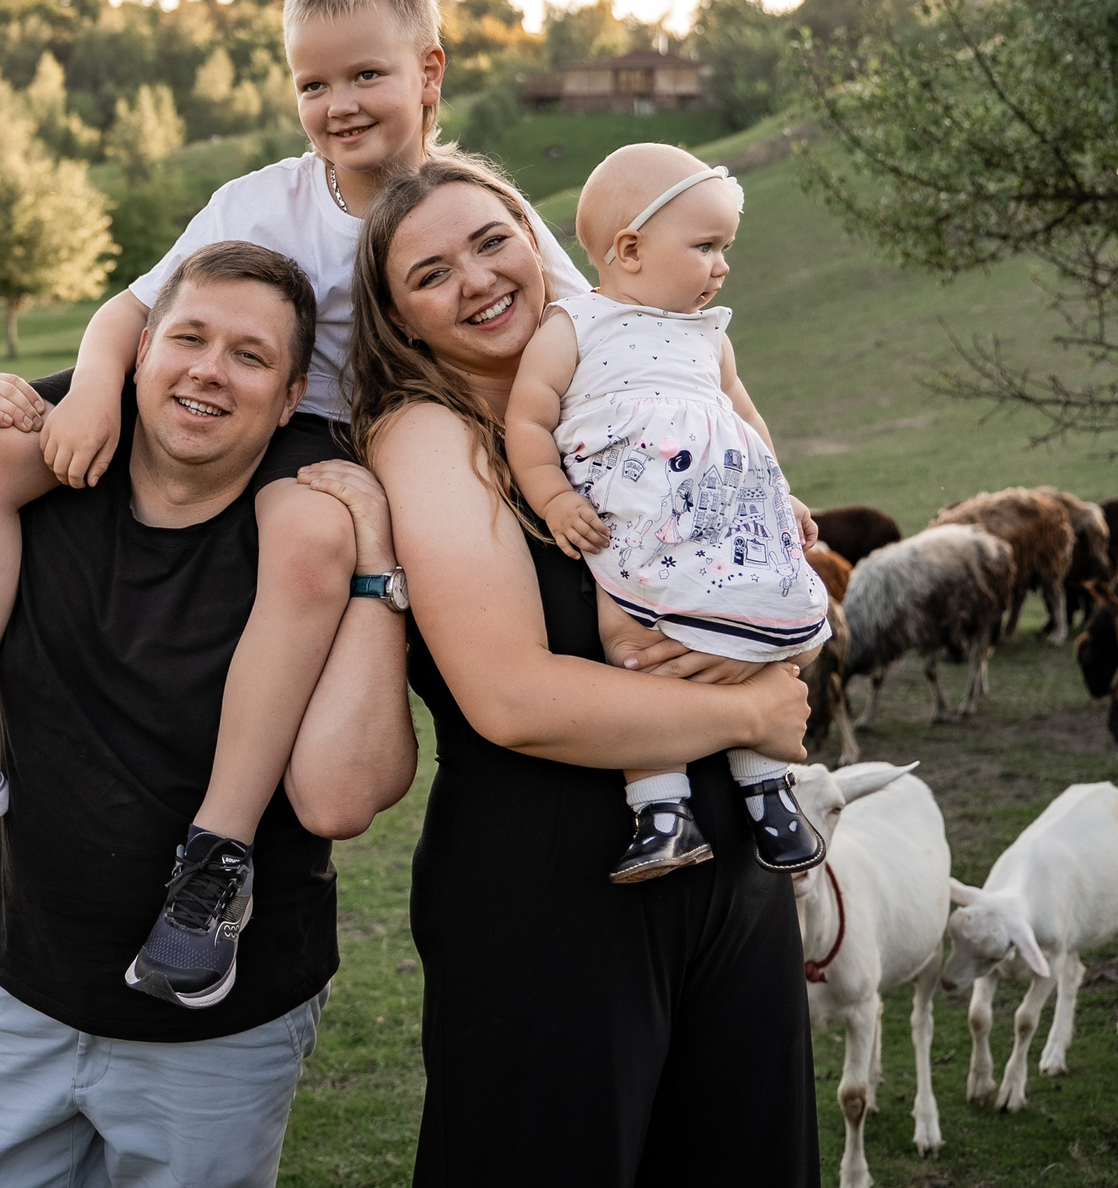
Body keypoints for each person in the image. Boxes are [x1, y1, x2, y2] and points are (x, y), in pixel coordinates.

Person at [0, 0, 586, 1011]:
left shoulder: (476, 210)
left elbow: (596, 334)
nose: (337, 105)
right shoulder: (261, 200)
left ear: (430, 72)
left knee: (313, 537)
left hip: (324, 430)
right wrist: (95, 388)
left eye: (364, 76)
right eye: (312, 86)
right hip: (198, 383)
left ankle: (217, 849)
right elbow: (132, 312)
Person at [0, 241, 418, 1188]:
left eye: (250, 356)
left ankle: (215, 860)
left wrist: (378, 570)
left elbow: (343, 797)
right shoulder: (42, 473)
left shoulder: (312, 513)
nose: (211, 370)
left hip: (222, 1023)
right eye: (190, 337)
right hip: (24, 990)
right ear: (140, 350)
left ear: (294, 386)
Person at [343, 154, 821, 1185]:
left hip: (732, 873)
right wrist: (750, 717)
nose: (474, 280)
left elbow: (761, 560)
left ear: (535, 240)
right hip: (553, 889)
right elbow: (511, 697)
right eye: (430, 275)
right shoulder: (433, 437)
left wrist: (781, 640)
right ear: (399, 322)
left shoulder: (637, 376)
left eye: (489, 242)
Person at [502, 142, 831, 883]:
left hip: (720, 518)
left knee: (751, 636)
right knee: (634, 644)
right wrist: (553, 496)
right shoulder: (574, 326)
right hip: (636, 524)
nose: (722, 266)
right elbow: (527, 419)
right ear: (630, 249)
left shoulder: (710, 337)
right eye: (707, 246)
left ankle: (766, 790)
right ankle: (660, 806)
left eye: (725, 248)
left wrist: (782, 493)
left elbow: (746, 422)